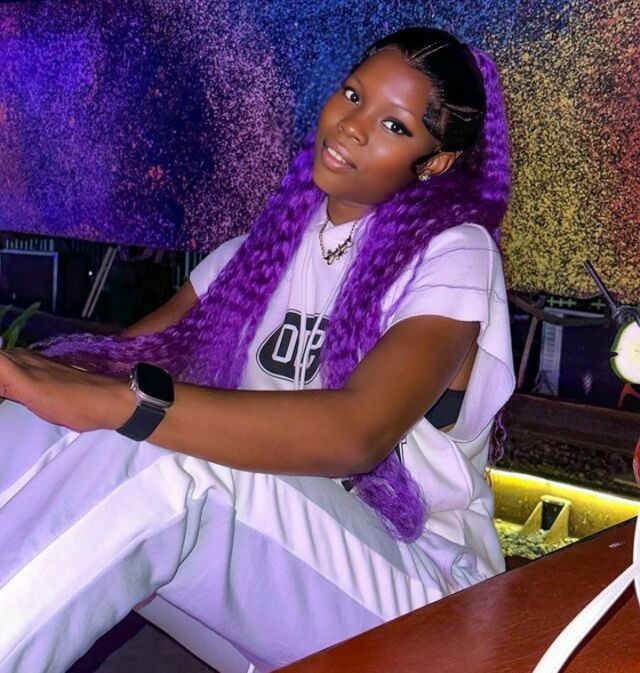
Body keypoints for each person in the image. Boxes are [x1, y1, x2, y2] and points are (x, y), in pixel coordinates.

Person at [0, 26, 514, 673]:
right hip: (287, 585)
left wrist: (124, 403)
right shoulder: (252, 258)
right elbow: (105, 372)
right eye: (353, 95)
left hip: (423, 603)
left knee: (167, 457)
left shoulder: (454, 251)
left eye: (394, 125)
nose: (352, 126)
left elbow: (358, 433)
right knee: (45, 418)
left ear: (435, 162)